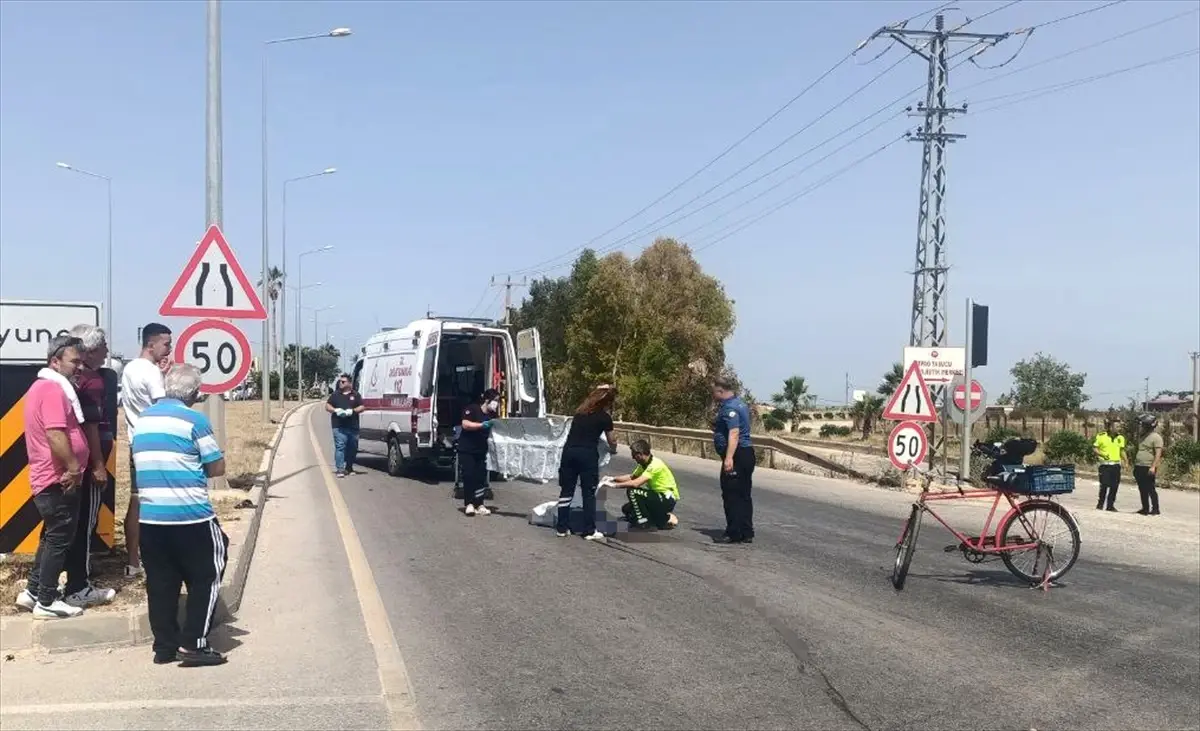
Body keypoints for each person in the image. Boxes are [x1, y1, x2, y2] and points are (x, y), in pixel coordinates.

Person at [133, 363, 229, 666]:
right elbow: (217, 467)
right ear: (196, 392)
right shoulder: (194, 420)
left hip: (151, 518)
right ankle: (194, 644)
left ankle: (164, 646)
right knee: (208, 574)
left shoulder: (143, 420)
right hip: (192, 517)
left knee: (161, 582)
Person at [15, 336, 90, 619]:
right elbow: (55, 434)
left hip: (49, 478)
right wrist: (73, 468)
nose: (79, 367)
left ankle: (34, 591)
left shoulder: (42, 387)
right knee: (59, 539)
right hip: (58, 478)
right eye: (74, 361)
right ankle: (46, 600)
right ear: (55, 361)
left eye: (82, 361)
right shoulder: (53, 390)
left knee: (50, 538)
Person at [60, 324, 119, 606]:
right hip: (88, 460)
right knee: (86, 522)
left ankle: (47, 580)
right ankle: (79, 585)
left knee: (65, 522)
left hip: (67, 460)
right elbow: (93, 427)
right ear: (92, 350)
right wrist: (98, 465)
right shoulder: (93, 381)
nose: (108, 350)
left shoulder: (62, 381)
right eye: (104, 345)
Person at [120, 322, 173, 578]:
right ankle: (160, 556)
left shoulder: (130, 368)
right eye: (166, 344)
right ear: (151, 344)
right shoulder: (151, 373)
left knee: (136, 499)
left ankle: (132, 561)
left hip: (136, 442)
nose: (169, 350)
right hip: (156, 444)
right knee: (159, 500)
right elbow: (163, 406)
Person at [556, 385, 618, 541]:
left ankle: (562, 527)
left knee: (566, 490)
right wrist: (613, 449)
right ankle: (589, 530)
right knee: (588, 492)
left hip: (569, 452)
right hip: (587, 455)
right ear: (607, 403)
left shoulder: (579, 413)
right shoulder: (604, 417)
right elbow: (612, 440)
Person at [712, 376, 754, 544]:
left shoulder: (730, 407)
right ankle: (746, 531)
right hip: (745, 453)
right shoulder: (740, 403)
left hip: (737, 455)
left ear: (721, 391)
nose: (713, 395)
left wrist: (729, 458)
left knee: (732, 494)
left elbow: (734, 433)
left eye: (714, 392)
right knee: (744, 494)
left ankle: (734, 533)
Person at [609, 439, 680, 530]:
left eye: (634, 455)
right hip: (656, 496)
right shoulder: (644, 464)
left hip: (666, 498)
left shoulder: (655, 464)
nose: (633, 458)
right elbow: (632, 477)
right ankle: (662, 519)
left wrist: (614, 486)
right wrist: (612, 479)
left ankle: (645, 523)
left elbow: (635, 483)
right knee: (627, 509)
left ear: (640, 454)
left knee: (633, 492)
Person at [458, 388, 500, 516]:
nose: (496, 404)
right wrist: (482, 425)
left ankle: (480, 503)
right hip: (467, 449)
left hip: (482, 450)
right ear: (487, 400)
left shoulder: (493, 416)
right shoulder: (472, 409)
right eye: (495, 401)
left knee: (481, 477)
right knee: (469, 475)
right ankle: (469, 504)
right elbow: (465, 424)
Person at [325, 372, 365, 477]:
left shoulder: (356, 395)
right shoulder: (335, 394)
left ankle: (349, 467)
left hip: (353, 426)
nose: (340, 383)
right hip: (338, 426)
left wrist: (352, 411)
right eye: (340, 381)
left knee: (352, 448)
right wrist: (335, 410)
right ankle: (340, 469)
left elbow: (362, 407)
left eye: (343, 382)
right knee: (340, 447)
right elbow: (327, 406)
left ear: (349, 383)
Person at [1133, 413, 1163, 516]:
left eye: (1144, 425)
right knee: (1142, 488)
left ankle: (1155, 509)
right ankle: (1145, 508)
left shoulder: (1156, 437)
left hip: (1148, 466)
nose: (1142, 426)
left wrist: (1153, 466)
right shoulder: (1142, 436)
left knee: (1150, 488)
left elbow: (1158, 454)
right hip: (1139, 466)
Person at [1092, 419, 1126, 512]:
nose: (1119, 428)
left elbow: (1122, 451)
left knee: (1114, 486)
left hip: (1115, 466)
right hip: (1105, 466)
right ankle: (1100, 504)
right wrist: (1101, 454)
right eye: (1117, 426)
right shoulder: (1101, 436)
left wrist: (1126, 461)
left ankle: (1110, 505)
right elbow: (1095, 448)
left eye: (1120, 426)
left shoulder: (1120, 438)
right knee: (1104, 485)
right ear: (1111, 427)